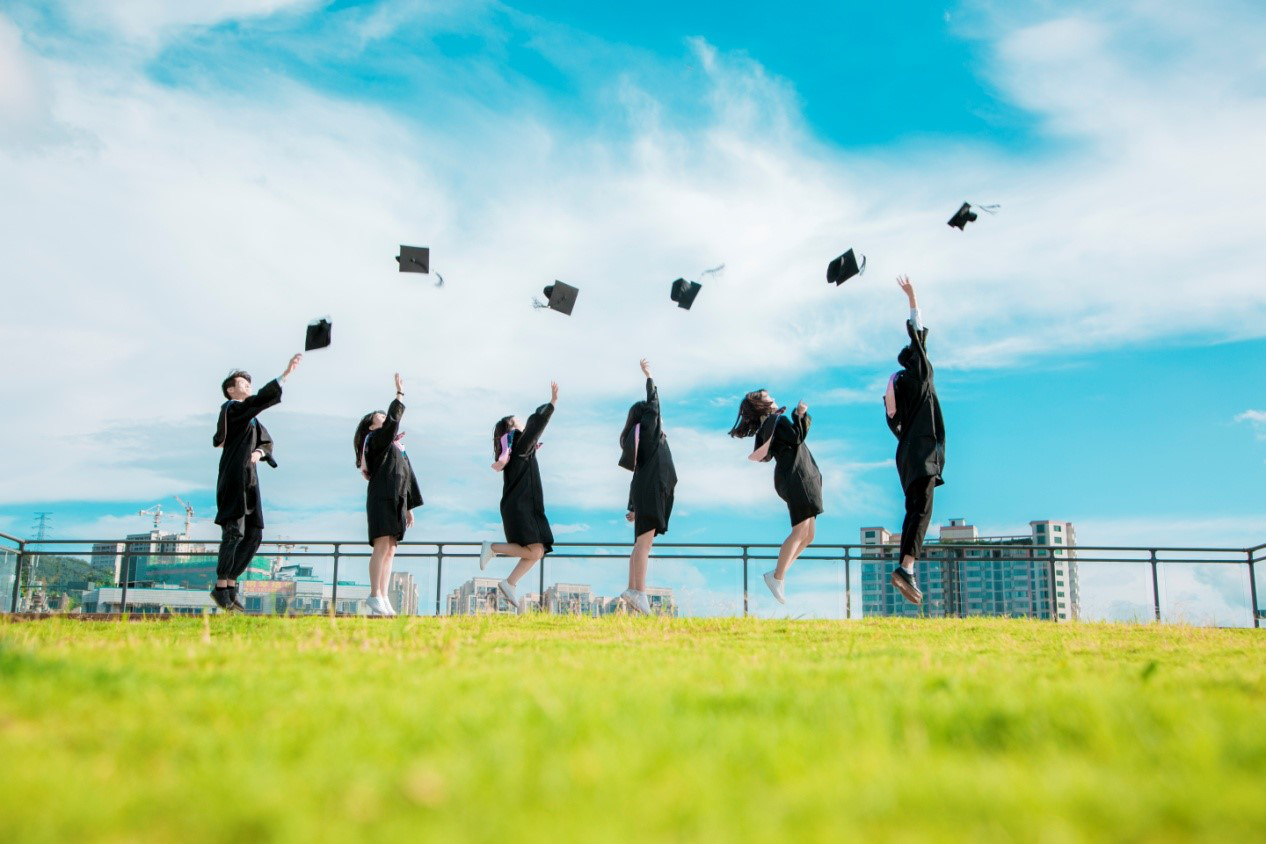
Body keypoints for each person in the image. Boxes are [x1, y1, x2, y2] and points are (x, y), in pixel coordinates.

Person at [211, 353, 302, 611]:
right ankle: (221, 586)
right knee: (234, 531)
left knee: (253, 534)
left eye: (249, 383)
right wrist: (285, 376)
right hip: (233, 477)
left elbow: (266, 440)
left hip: (250, 479)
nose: (248, 386)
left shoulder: (251, 418)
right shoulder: (231, 409)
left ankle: (230, 583)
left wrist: (260, 452)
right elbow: (257, 402)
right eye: (243, 383)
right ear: (231, 390)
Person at [728, 388, 823, 605]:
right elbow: (797, 437)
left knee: (809, 536)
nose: (773, 398)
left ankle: (778, 574)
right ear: (763, 405)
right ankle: (777, 577)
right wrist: (800, 414)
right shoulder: (776, 421)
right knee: (800, 532)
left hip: (801, 477)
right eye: (768, 397)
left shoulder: (770, 424)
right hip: (797, 478)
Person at [885, 275, 946, 605]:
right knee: (922, 509)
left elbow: (892, 421)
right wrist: (913, 298)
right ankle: (906, 567)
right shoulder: (919, 375)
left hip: (906, 455)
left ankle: (905, 567)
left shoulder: (898, 386)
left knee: (914, 509)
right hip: (922, 452)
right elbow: (917, 333)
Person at [477, 382, 559, 612]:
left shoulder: (517, 451)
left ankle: (509, 583)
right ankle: (492, 547)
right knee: (536, 550)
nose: (522, 422)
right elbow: (535, 426)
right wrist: (552, 404)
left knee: (538, 551)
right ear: (512, 428)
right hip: (522, 507)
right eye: (518, 421)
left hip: (521, 507)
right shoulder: (520, 445)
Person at [354, 372, 424, 616]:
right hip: (382, 497)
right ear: (371, 425)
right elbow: (393, 422)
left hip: (396, 500)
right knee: (382, 545)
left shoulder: (396, 446)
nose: (385, 418)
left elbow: (407, 475)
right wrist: (399, 394)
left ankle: (383, 596)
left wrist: (409, 507)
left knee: (391, 548)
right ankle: (375, 594)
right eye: (380, 417)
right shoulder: (375, 439)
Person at [617, 358, 678, 615]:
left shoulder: (643, 440)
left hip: (647, 491)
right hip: (652, 491)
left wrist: (633, 506)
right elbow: (654, 405)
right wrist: (649, 377)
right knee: (644, 544)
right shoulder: (649, 433)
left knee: (641, 544)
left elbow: (636, 476)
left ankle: (633, 589)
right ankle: (639, 592)